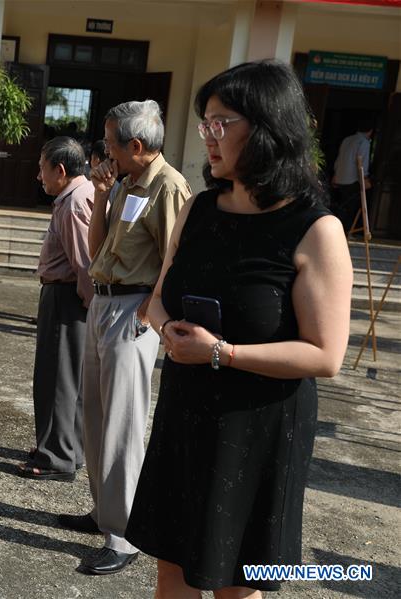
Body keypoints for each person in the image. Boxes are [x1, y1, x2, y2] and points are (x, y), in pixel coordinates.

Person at [124, 60, 352, 597]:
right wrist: (169, 330)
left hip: (259, 424)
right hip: (187, 409)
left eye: (220, 123)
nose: (207, 135)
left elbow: (326, 355)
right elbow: (157, 300)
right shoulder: (199, 209)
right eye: (204, 122)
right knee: (171, 566)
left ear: (269, 127)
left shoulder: (315, 229)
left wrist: (220, 353)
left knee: (237, 581)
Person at [60, 99, 190, 575]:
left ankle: (124, 535)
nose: (105, 152)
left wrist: (152, 306)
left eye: (110, 144)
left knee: (122, 423)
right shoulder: (124, 182)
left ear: (136, 145)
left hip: (133, 309)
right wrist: (100, 193)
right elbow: (97, 249)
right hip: (104, 300)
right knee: (95, 415)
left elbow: (178, 257)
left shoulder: (168, 186)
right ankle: (104, 512)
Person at [18, 137, 95, 481]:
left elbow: (85, 265)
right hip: (68, 298)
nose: (38, 176)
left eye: (42, 168)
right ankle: (66, 448)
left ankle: (56, 456)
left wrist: (89, 306)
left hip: (67, 298)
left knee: (57, 379)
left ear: (60, 170)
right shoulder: (77, 195)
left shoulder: (74, 203)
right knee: (68, 379)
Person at [331, 116, 374, 232]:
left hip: (341, 178)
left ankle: (340, 231)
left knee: (342, 206)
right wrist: (365, 178)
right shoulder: (364, 142)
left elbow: (339, 159)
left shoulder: (347, 139)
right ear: (370, 131)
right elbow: (362, 163)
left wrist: (335, 174)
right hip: (353, 180)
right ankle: (345, 232)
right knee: (350, 209)